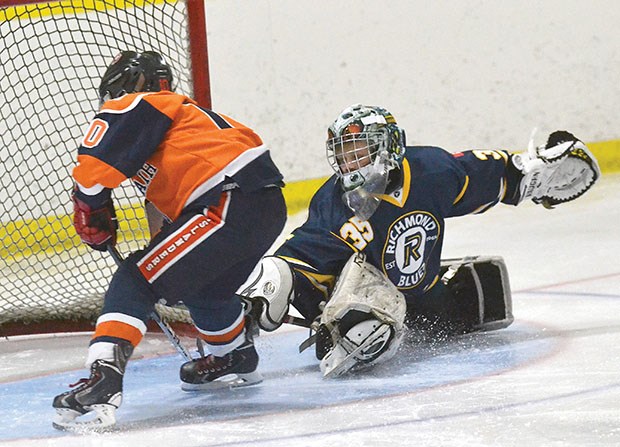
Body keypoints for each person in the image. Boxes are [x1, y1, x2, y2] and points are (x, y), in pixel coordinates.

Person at [239, 103, 600, 377]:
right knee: (356, 329)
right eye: (343, 155)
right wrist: (274, 288)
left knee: (454, 308)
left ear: (388, 147)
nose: (350, 164)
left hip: (426, 298)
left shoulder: (431, 171)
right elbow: (305, 257)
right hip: (354, 291)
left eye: (358, 151)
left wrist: (536, 175)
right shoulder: (338, 202)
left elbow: (499, 176)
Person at [52, 51, 286, 430]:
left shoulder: (139, 104)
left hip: (225, 200)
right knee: (204, 290)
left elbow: (91, 173)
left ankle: (104, 378)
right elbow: (167, 227)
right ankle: (233, 355)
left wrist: (90, 207)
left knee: (135, 278)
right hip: (263, 205)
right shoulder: (185, 123)